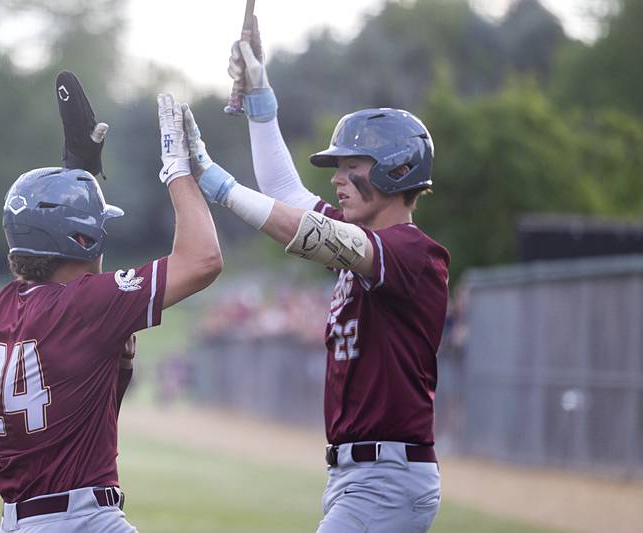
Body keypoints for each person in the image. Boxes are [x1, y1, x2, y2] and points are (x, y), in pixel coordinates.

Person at [180, 29, 450, 532]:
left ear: (397, 170)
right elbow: (285, 190)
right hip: (359, 474)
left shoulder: (414, 251)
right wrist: (261, 101)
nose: (337, 178)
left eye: (352, 166)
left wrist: (219, 185)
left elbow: (311, 232)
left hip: (387, 476)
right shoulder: (364, 240)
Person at [0, 71, 222, 532]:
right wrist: (177, 168)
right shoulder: (84, 306)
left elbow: (56, 253)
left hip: (25, 520)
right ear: (83, 239)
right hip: (77, 519)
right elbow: (203, 259)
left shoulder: (6, 306)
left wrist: (78, 169)